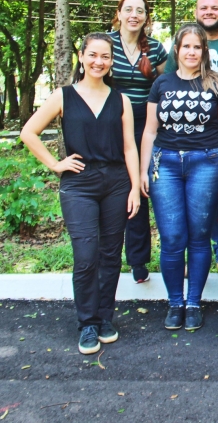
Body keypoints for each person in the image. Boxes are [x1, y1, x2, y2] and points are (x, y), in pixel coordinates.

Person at [21, 33, 140, 355]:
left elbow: (130, 147)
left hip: (116, 183)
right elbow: (28, 132)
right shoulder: (63, 96)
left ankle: (104, 318)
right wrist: (54, 164)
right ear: (82, 57)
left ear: (111, 61)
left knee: (111, 255)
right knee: (86, 256)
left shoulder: (121, 100)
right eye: (93, 55)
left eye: (105, 56)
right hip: (79, 185)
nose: (99, 62)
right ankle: (87, 322)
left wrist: (134, 188)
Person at [141, 23, 218, 331]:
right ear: (177, 50)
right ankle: (175, 302)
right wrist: (143, 170)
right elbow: (150, 130)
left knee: (198, 236)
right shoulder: (162, 83)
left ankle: (193, 302)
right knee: (171, 238)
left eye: (197, 47)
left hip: (206, 163)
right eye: (186, 46)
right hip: (164, 164)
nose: (191, 52)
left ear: (204, 51)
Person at [165, 0, 218, 279]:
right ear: (196, 11)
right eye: (204, 7)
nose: (209, 12)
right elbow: (169, 84)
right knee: (186, 202)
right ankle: (187, 256)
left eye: (215, 8)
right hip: (186, 139)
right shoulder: (181, 46)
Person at [109, 0, 167, 284]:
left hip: (145, 128)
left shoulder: (155, 49)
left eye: (140, 11)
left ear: (146, 17)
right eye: (128, 9)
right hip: (110, 126)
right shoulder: (105, 44)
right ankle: (107, 255)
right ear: (119, 13)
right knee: (116, 190)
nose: (134, 15)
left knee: (141, 187)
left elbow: (165, 85)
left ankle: (138, 259)